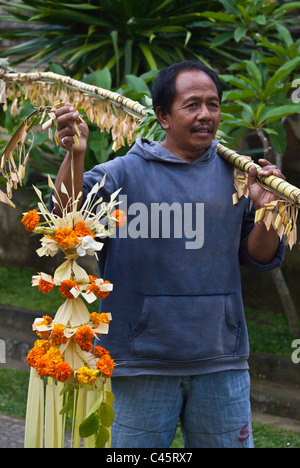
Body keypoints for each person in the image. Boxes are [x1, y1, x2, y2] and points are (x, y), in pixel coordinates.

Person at [53, 61, 285, 448]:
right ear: (163, 116)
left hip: (221, 363)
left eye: (213, 104)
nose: (206, 115)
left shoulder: (238, 177)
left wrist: (270, 210)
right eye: (192, 104)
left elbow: (259, 256)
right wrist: (76, 156)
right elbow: (65, 224)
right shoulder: (122, 175)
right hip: (140, 364)